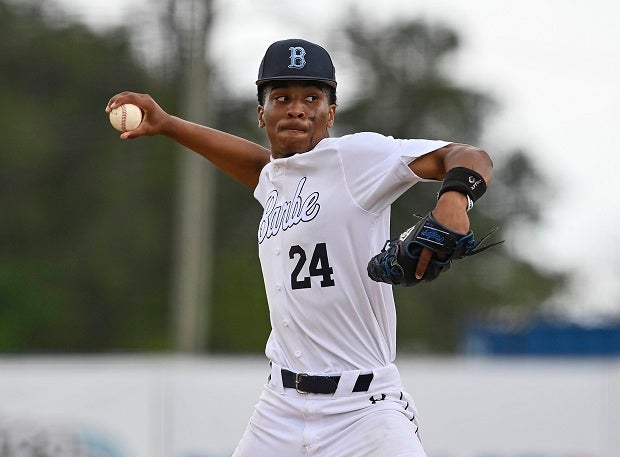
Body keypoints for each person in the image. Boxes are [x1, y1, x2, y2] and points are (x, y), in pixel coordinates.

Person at [106, 38, 493, 457]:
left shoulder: (355, 158)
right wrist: (167, 124)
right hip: (280, 407)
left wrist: (455, 198)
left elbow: (468, 155)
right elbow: (260, 167)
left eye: (312, 97)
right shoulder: (274, 180)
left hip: (363, 409)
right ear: (261, 114)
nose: (296, 108)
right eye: (282, 97)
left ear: (331, 113)